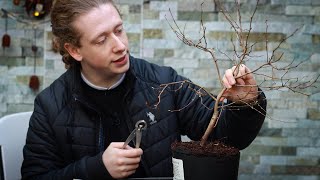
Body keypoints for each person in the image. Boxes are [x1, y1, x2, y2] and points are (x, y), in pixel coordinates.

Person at [21, 0, 267, 179]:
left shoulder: (163, 82)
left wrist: (245, 104)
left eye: (119, 30)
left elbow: (228, 140)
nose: (120, 46)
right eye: (101, 39)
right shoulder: (50, 105)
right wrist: (96, 168)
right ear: (75, 50)